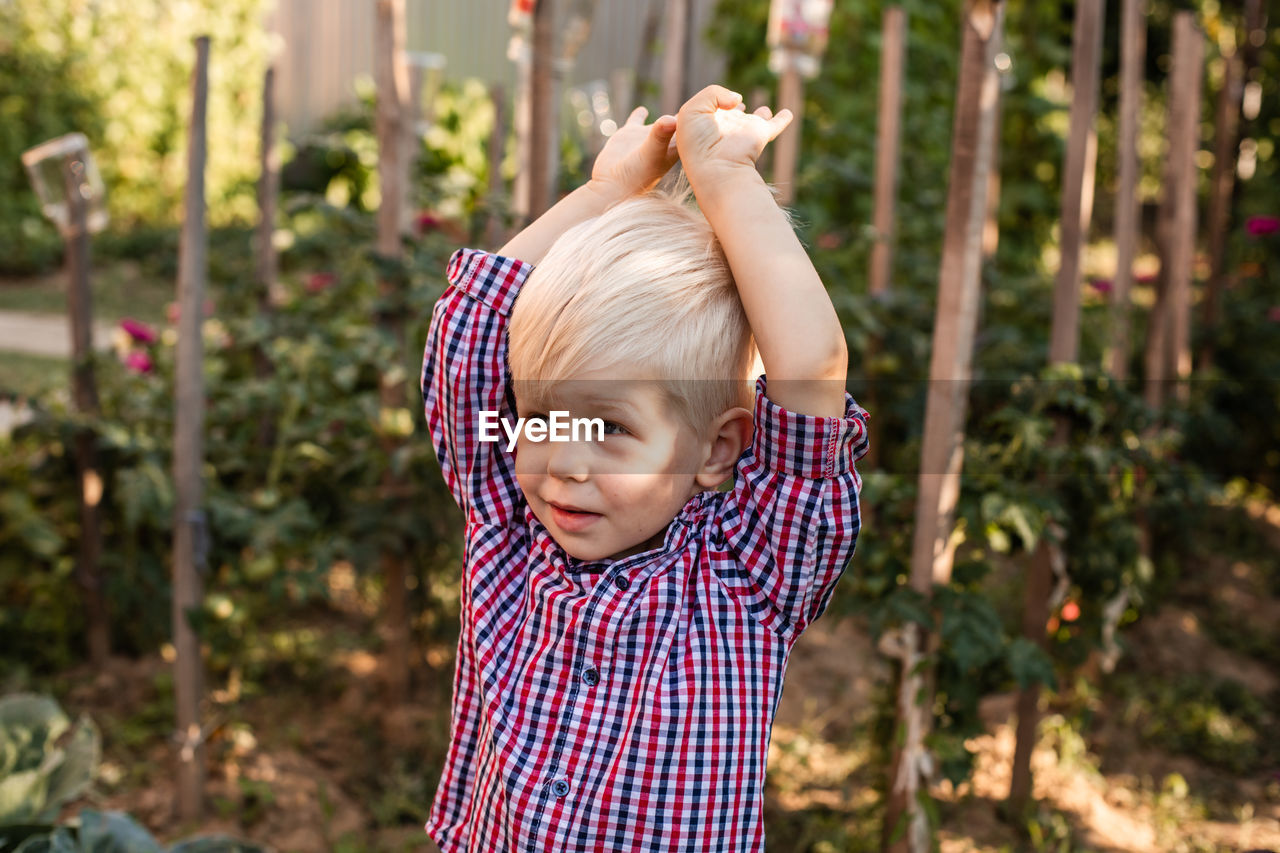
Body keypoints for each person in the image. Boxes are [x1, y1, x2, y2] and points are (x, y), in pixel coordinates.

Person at [420, 84, 870, 852]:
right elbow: (469, 326)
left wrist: (726, 179)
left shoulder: (746, 576)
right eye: (540, 415)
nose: (563, 461)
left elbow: (810, 370)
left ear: (718, 448)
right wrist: (605, 192)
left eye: (610, 427)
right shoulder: (509, 526)